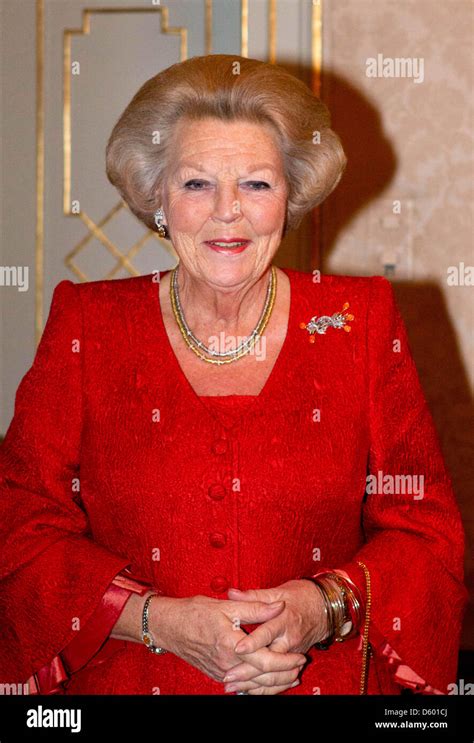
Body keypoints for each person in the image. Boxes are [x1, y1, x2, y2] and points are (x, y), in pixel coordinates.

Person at [0, 55, 467, 696]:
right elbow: (20, 531)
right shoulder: (87, 324)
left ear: (291, 196)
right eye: (195, 184)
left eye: (256, 184)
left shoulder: (357, 320)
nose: (227, 213)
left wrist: (320, 607)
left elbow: (425, 535)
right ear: (157, 197)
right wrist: (156, 620)